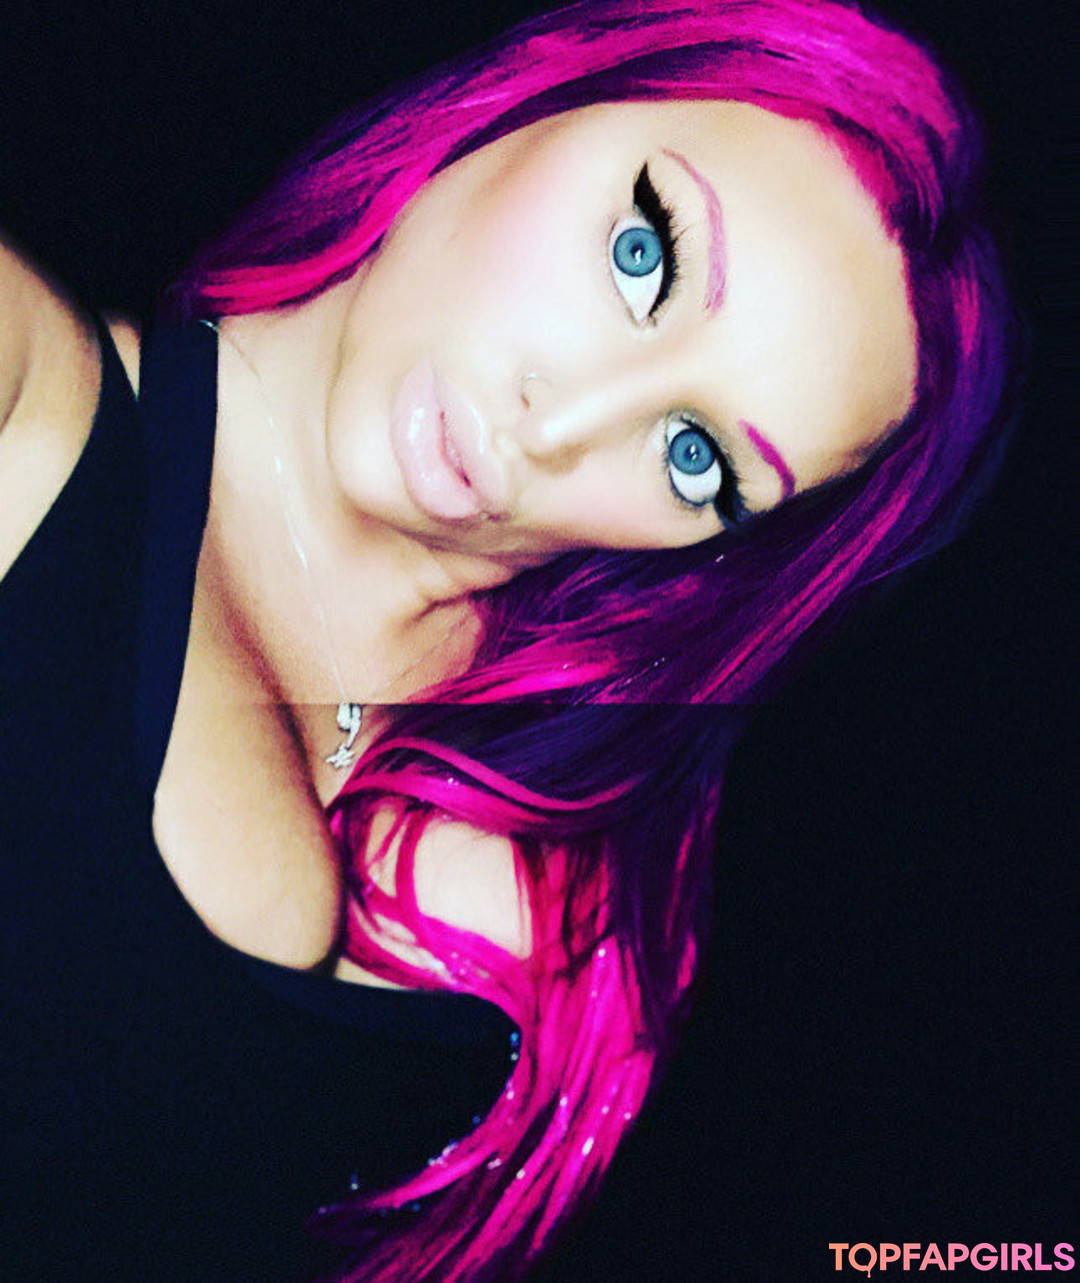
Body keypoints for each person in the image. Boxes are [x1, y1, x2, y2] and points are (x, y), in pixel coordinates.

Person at [0, 1, 1024, 1280]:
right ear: (541, 95)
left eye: (693, 454)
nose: (560, 426)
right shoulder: (29, 403)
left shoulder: (587, 858)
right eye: (644, 255)